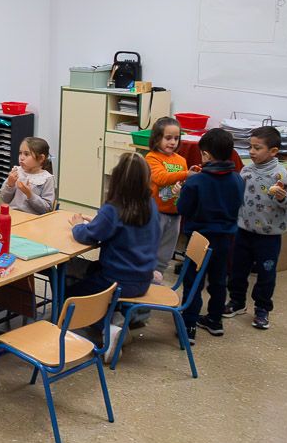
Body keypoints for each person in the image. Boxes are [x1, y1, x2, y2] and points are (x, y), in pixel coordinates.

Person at [68, 152, 161, 360]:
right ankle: (113, 317)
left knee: (71, 293)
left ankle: (108, 328)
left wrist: (77, 225)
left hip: (116, 280)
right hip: (143, 278)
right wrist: (98, 221)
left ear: (117, 178)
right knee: (86, 272)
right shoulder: (150, 205)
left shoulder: (114, 209)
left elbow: (87, 236)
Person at [227, 126, 287, 330]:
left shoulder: (282, 176)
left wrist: (283, 197)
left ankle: (262, 308)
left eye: (257, 148)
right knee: (237, 270)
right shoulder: (246, 171)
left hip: (269, 236)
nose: (251, 151)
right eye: (250, 147)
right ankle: (237, 301)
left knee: (266, 274)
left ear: (273, 151)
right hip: (243, 230)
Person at [178, 127, 244, 339]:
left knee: (193, 281)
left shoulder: (195, 181)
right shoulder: (238, 179)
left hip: (199, 239)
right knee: (218, 280)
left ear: (205, 155)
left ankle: (189, 325)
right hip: (225, 239)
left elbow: (183, 209)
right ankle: (215, 320)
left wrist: (181, 191)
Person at [145, 116, 189, 282]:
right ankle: (146, 279)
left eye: (176, 138)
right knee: (150, 249)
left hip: (175, 214)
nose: (173, 142)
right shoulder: (152, 157)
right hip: (156, 213)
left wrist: (184, 183)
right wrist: (186, 174)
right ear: (157, 138)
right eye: (168, 138)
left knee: (166, 252)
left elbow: (183, 183)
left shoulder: (181, 160)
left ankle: (157, 279)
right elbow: (161, 178)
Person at [1, 136, 56, 215]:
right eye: (20, 153)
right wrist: (10, 185)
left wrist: (30, 195)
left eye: (26, 154)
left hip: (33, 220)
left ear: (41, 158)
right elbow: (5, 199)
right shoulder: (16, 171)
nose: (21, 158)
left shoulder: (47, 178)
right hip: (13, 215)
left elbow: (47, 209)